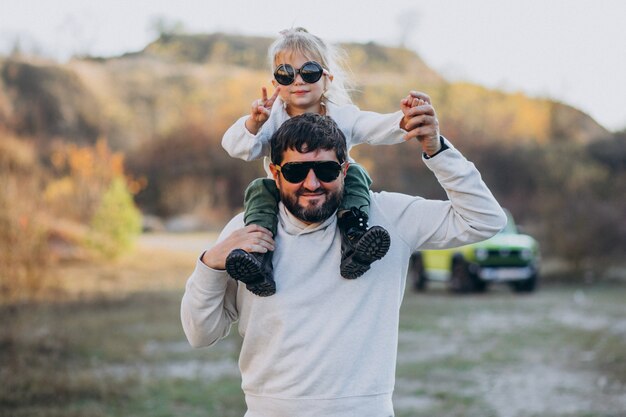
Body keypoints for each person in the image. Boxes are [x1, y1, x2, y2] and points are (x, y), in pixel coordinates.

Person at [182, 98, 507, 417]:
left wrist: (436, 150)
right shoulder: (245, 230)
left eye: (325, 169)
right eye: (296, 171)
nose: (311, 183)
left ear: (345, 169)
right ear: (274, 172)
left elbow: (485, 220)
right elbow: (201, 334)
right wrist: (209, 264)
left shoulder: (387, 217)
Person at [221, 27, 423, 296]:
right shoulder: (271, 118)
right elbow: (237, 147)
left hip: (333, 193)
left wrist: (406, 118)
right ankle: (258, 258)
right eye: (286, 74)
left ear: (327, 79)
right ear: (275, 82)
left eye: (310, 72)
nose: (298, 81)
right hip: (288, 195)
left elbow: (375, 127)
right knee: (260, 188)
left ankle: (354, 236)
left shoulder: (342, 115)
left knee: (356, 173)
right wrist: (254, 123)